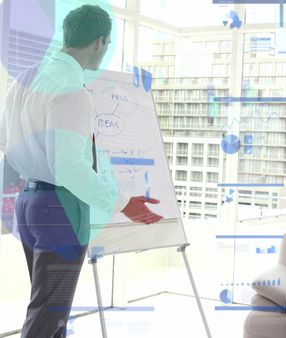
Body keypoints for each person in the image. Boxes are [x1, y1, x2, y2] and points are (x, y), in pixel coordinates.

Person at [0, 5, 163, 337]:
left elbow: (6, 140)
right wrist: (124, 203)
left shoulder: (25, 80)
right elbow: (70, 167)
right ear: (99, 42)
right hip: (60, 210)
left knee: (48, 307)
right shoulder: (72, 91)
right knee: (48, 315)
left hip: (28, 205)